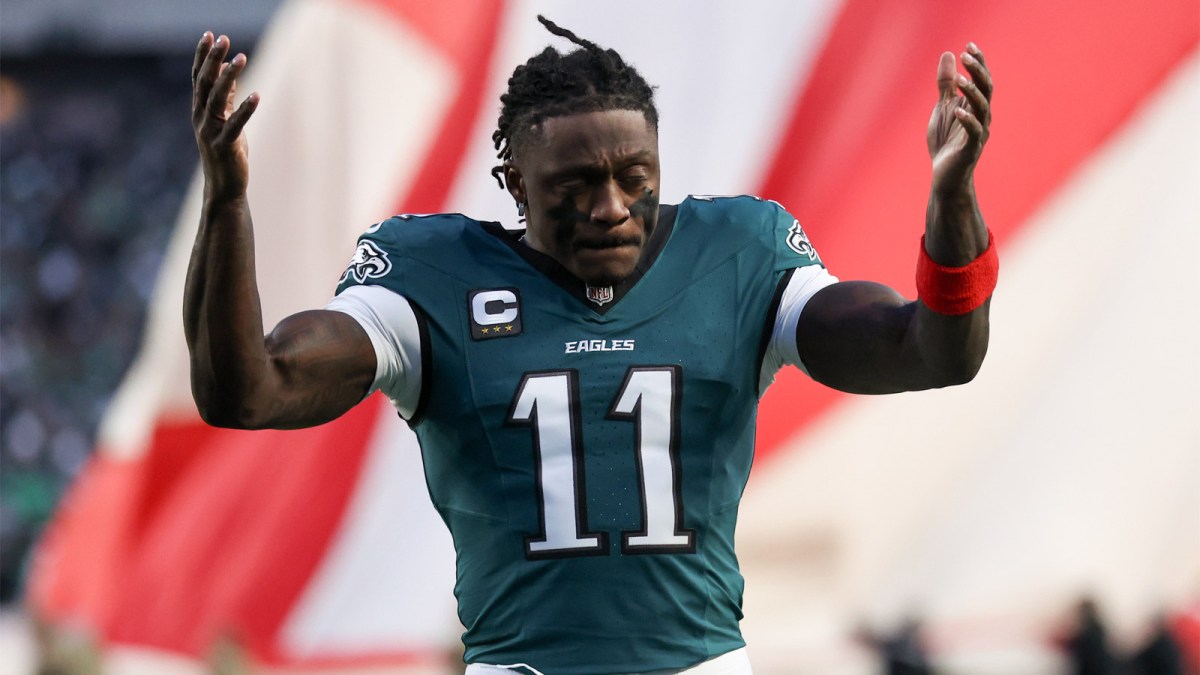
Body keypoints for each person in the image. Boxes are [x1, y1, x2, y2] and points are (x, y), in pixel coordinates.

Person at [186, 16, 995, 675]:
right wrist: (228, 206)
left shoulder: (738, 253)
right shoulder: (434, 274)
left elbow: (929, 351)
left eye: (634, 175)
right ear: (513, 182)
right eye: (575, 184)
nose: (611, 206)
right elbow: (248, 391)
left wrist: (952, 199)